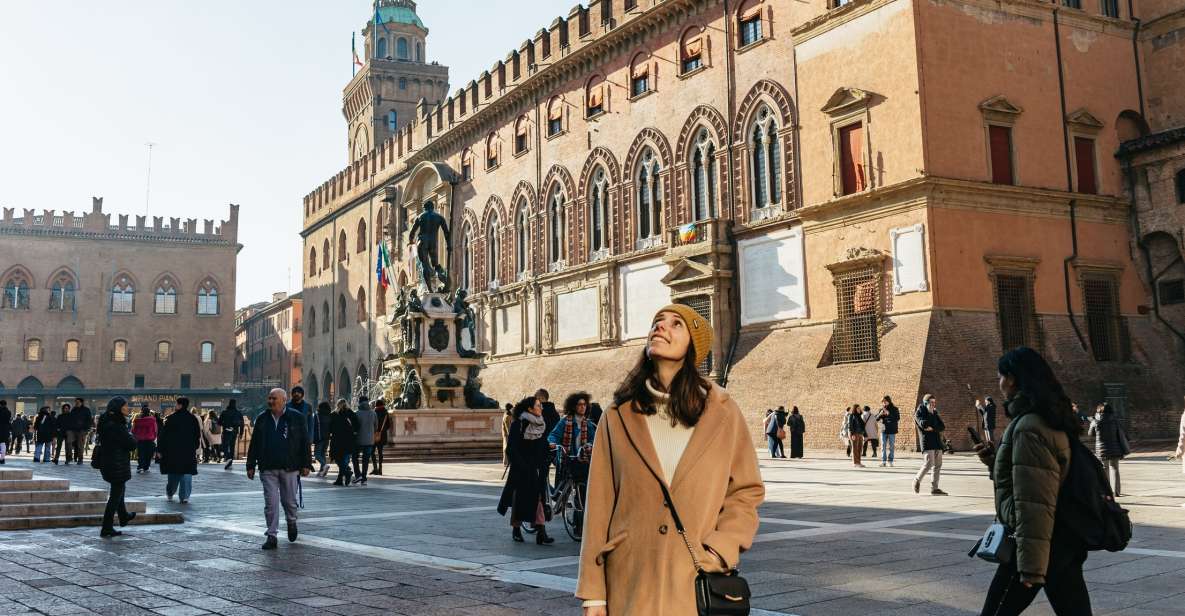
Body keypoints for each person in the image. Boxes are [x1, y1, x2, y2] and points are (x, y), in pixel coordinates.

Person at [577, 304, 764, 615]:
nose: (661, 327)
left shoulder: (722, 412)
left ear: (694, 346)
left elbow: (746, 491)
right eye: (657, 322)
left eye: (676, 324)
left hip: (694, 581)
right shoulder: (617, 416)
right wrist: (593, 593)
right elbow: (598, 506)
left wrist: (722, 548)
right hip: (629, 581)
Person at [972, 347, 1089, 615]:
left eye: (1001, 377)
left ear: (1012, 379)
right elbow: (1036, 478)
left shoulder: (1029, 427)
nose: (999, 384)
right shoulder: (1050, 417)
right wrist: (995, 462)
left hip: (1036, 545)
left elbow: (1034, 502)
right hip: (1062, 541)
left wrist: (1031, 569)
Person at [246, 388, 314, 550]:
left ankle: (291, 521)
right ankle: (272, 535)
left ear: (284, 400)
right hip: (268, 466)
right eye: (269, 398)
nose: (270, 401)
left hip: (289, 466)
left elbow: (305, 441)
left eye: (274, 398)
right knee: (271, 502)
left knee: (289, 501)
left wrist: (306, 463)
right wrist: (250, 465)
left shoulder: (296, 418)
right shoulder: (262, 418)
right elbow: (255, 443)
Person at [498, 396, 554, 545]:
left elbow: (543, 445)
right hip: (521, 468)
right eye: (538, 405)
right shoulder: (519, 424)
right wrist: (521, 465)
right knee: (519, 499)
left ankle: (541, 531)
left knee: (539, 499)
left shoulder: (542, 424)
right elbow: (511, 448)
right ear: (529, 409)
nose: (541, 408)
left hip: (537, 467)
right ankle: (516, 528)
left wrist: (548, 451)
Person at [548, 391, 596, 524]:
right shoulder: (565, 422)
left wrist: (590, 445)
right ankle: (555, 497)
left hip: (582, 460)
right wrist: (553, 443)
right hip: (567, 458)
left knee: (582, 491)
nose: (583, 407)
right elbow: (554, 435)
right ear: (574, 406)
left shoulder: (589, 425)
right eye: (580, 405)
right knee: (560, 488)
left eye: (584, 404)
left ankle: (578, 522)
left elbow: (594, 439)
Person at [96, 397, 137, 537]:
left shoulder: (106, 421)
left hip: (109, 462)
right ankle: (106, 527)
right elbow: (131, 444)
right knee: (115, 496)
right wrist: (131, 435)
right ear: (118, 408)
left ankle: (124, 515)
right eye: (125, 406)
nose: (128, 408)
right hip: (116, 464)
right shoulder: (117, 425)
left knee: (119, 490)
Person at [158, 397, 201, 503]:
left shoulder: (171, 418)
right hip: (188, 452)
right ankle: (185, 496)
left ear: (180, 405)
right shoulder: (193, 419)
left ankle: (170, 492)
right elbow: (197, 436)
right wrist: (194, 447)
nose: (175, 406)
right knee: (187, 474)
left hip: (173, 452)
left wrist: (160, 450)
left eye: (176, 404)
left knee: (173, 474)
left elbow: (163, 436)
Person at [1088, 403, 1127, 497]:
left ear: (1099, 411)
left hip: (1102, 450)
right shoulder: (1115, 420)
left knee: (1105, 469)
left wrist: (1091, 423)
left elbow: (1090, 434)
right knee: (1115, 469)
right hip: (1115, 449)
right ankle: (1117, 492)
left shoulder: (1096, 421)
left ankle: (1106, 491)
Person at [914, 394, 947, 495]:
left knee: (937, 465)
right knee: (929, 463)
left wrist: (933, 427)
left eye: (934, 402)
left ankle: (934, 488)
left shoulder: (934, 412)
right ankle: (917, 480)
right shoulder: (919, 413)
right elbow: (923, 424)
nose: (933, 404)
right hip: (927, 442)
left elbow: (942, 426)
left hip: (937, 442)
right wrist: (930, 415)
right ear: (926, 403)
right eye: (931, 402)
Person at [328, 399, 358, 486]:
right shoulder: (351, 413)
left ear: (337, 405)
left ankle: (343, 476)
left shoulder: (333, 414)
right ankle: (344, 475)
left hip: (337, 440)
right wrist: (354, 433)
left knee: (337, 459)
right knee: (344, 460)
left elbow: (330, 428)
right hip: (349, 440)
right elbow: (357, 425)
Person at [351, 397, 376, 485]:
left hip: (358, 440)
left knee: (355, 457)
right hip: (370, 440)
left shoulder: (357, 413)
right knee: (366, 460)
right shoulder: (373, 413)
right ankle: (364, 478)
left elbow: (354, 426)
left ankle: (358, 475)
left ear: (359, 402)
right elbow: (376, 426)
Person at [131, 405, 158, 474]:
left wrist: (136, 436)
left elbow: (133, 430)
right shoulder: (152, 420)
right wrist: (154, 436)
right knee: (148, 454)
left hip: (140, 440)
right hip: (149, 439)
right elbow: (155, 430)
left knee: (141, 453)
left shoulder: (137, 421)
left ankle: (140, 466)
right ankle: (146, 467)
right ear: (149, 412)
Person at [219, 399, 244, 470]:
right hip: (234, 431)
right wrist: (241, 433)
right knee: (232, 446)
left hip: (226, 430)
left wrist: (225, 424)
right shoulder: (238, 413)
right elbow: (242, 424)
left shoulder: (224, 412)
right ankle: (230, 461)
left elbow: (219, 422)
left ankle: (227, 458)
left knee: (225, 445)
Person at [68, 397, 93, 465]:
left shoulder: (86, 410)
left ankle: (80, 459)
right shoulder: (73, 409)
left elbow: (89, 420)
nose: (76, 403)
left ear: (81, 402)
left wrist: (86, 429)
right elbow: (70, 418)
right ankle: (69, 457)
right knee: (69, 443)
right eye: (75, 402)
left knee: (80, 446)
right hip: (73, 429)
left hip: (82, 430)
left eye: (78, 402)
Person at [877, 396, 900, 467]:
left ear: (888, 401)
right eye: (882, 402)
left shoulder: (895, 409)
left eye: (885, 401)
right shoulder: (881, 409)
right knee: (883, 445)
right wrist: (880, 414)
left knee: (891, 446)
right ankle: (883, 461)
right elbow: (876, 419)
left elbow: (897, 418)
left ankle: (890, 461)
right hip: (883, 430)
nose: (883, 403)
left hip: (892, 430)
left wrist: (888, 413)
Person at [371, 399, 391, 475]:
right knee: (380, 452)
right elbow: (388, 425)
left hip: (374, 435)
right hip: (382, 435)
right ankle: (380, 469)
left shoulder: (374, 412)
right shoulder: (386, 413)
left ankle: (375, 468)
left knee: (372, 452)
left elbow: (372, 424)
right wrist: (383, 431)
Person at [315, 401, 333, 476]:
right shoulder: (330, 415)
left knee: (317, 455)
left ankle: (324, 465)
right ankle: (322, 471)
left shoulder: (318, 415)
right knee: (322, 454)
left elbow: (315, 427)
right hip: (327, 438)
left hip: (319, 437)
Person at [501, 402, 515, 467]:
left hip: (506, 434)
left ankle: (507, 462)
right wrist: (511, 435)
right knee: (507, 448)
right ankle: (506, 462)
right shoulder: (507, 416)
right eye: (512, 408)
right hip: (507, 434)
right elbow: (508, 427)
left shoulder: (507, 414)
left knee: (507, 447)